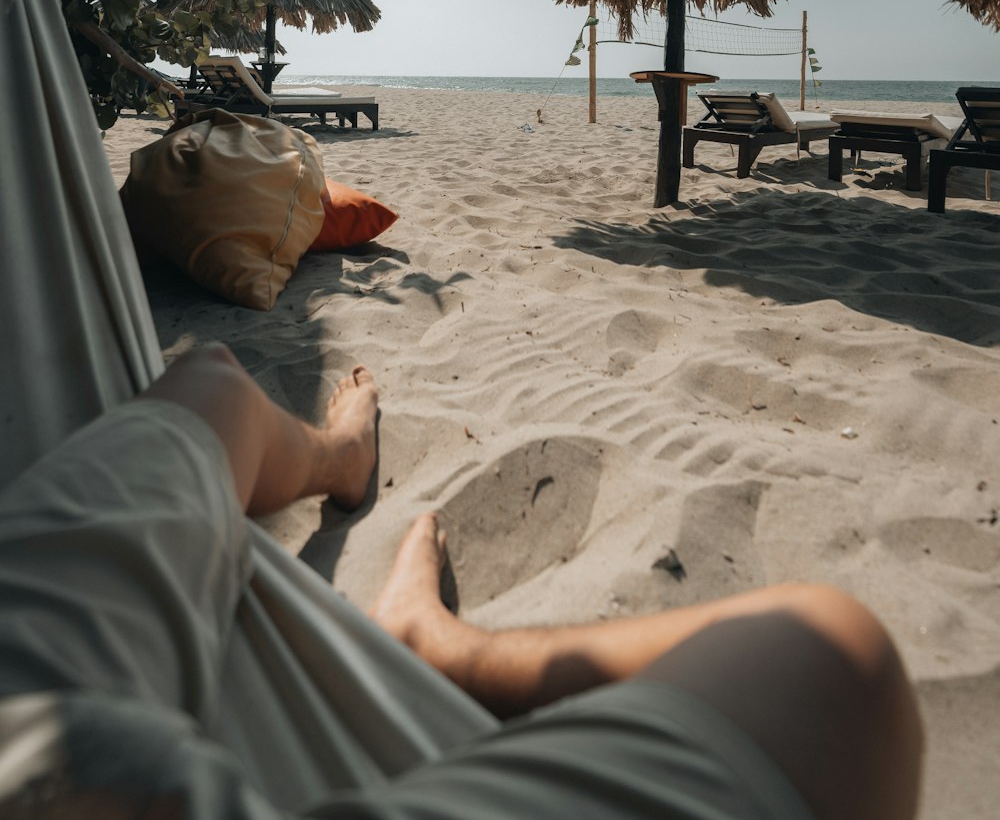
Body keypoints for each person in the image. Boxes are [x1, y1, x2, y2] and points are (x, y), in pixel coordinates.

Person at [0, 344, 923, 819]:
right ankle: (437, 639)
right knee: (832, 667)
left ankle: (346, 457)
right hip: (56, 734)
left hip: (51, 725)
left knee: (206, 385)